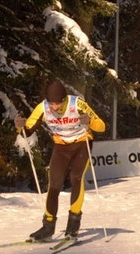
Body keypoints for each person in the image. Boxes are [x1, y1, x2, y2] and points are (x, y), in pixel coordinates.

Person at [14, 80, 106, 241]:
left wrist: (89, 121)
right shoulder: (43, 107)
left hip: (81, 144)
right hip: (61, 146)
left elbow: (102, 126)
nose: (54, 107)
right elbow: (26, 131)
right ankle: (48, 227)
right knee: (54, 185)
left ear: (64, 100)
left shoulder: (77, 104)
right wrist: (19, 126)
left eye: (58, 103)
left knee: (76, 178)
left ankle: (73, 226)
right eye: (51, 103)